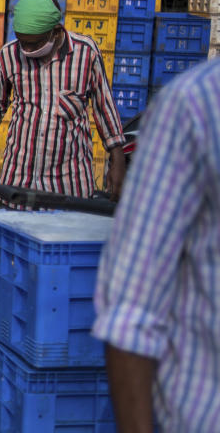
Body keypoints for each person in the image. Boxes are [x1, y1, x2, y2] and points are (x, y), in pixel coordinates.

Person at [92, 58, 220, 432]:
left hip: (69, 169)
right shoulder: (197, 104)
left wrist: (116, 154)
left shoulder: (83, 55)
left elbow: (103, 106)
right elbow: (131, 315)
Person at [0, 0, 127, 201]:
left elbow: (104, 106)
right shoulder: (9, 55)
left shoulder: (86, 53)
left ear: (55, 32)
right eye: (23, 43)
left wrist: (117, 159)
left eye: (34, 44)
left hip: (69, 180)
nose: (27, 49)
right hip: (19, 175)